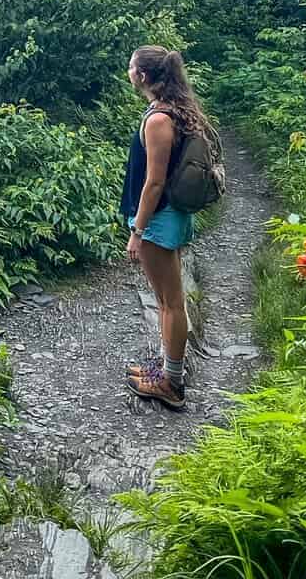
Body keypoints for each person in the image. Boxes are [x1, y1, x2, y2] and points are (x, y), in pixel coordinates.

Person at [120, 45, 214, 409]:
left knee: (170, 303)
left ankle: (172, 384)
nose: (128, 71)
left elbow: (154, 182)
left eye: (131, 66)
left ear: (143, 76)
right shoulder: (176, 110)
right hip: (168, 216)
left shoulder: (159, 120)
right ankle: (165, 371)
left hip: (158, 219)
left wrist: (137, 230)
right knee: (166, 302)